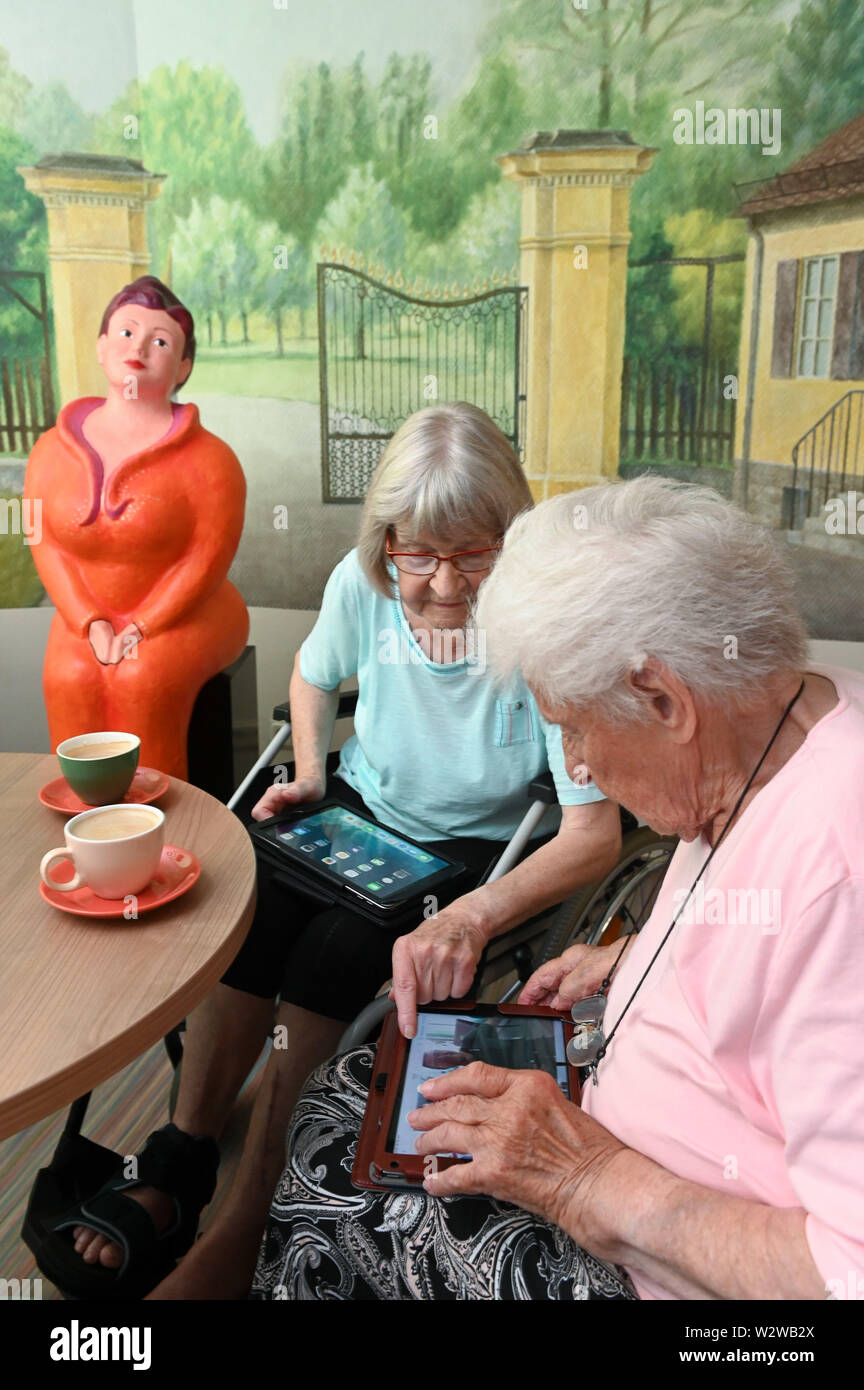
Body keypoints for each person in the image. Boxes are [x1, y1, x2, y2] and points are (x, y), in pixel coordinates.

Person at [249, 474, 864, 1301]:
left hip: (655, 1268)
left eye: (574, 727)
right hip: (619, 1128)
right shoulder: (782, 716)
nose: (574, 764)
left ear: (660, 697)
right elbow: (761, 960)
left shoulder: (838, 881)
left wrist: (588, 1179)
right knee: (350, 1089)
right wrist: (640, 956)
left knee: (339, 1173)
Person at [61, 402, 621, 1299]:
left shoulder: (544, 628)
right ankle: (178, 1160)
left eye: (473, 553)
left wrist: (477, 914)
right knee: (250, 913)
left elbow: (597, 833)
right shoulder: (362, 582)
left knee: (330, 959)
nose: (444, 583)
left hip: (473, 847)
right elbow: (314, 675)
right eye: (419, 554)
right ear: (386, 537)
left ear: (510, 540)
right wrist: (315, 770)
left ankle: (248, 1222)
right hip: (362, 803)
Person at [23, 275, 248, 779]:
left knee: (144, 678)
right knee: (70, 673)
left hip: (187, 614)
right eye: (126, 332)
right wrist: (92, 622)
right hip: (86, 616)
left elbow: (205, 562)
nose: (139, 348)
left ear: (184, 366)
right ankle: (86, 829)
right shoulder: (47, 453)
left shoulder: (214, 462)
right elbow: (44, 544)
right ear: (102, 347)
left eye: (161, 341)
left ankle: (162, 830)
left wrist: (141, 627)